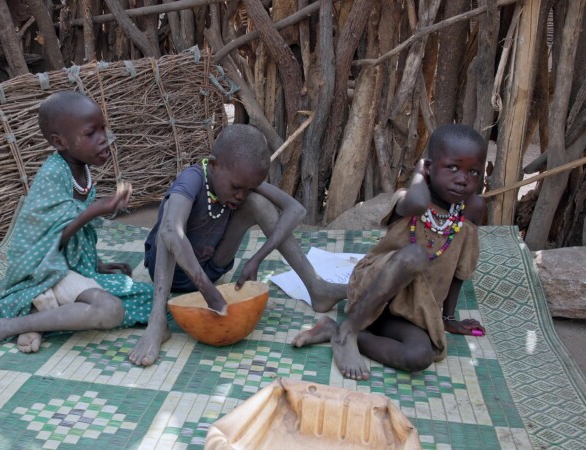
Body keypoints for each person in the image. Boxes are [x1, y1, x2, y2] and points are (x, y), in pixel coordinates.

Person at [128, 124, 348, 366]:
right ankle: (157, 320)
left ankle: (316, 287)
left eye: (247, 187)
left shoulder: (240, 179)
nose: (240, 195)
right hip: (174, 274)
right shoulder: (192, 179)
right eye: (236, 188)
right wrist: (207, 290)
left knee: (259, 203)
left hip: (213, 266)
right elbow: (171, 231)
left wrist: (258, 257)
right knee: (170, 225)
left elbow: (296, 210)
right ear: (213, 165)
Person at [0, 91, 152, 361]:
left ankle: (40, 314)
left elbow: (68, 233)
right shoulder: (54, 173)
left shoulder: (81, 169)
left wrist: (96, 264)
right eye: (91, 133)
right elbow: (50, 238)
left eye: (103, 129)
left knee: (142, 296)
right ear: (59, 142)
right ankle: (4, 326)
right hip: (40, 270)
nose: (103, 139)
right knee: (111, 309)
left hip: (62, 268)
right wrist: (94, 210)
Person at [292, 124, 487, 380]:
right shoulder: (409, 199)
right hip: (372, 290)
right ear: (429, 167)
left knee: (420, 356)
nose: (463, 179)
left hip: (411, 309)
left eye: (473, 171)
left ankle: (335, 331)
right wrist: (419, 173)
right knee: (415, 255)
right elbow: (417, 203)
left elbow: (461, 270)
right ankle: (349, 330)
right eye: (453, 167)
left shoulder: (468, 211)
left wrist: (448, 318)